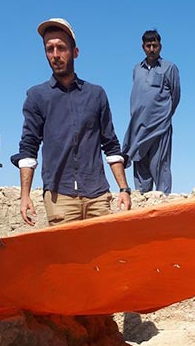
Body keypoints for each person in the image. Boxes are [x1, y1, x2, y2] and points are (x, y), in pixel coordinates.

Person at [11, 18, 131, 227]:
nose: (55, 55)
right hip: (60, 198)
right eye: (50, 49)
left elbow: (110, 144)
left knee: (103, 257)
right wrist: (25, 196)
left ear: (75, 52)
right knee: (66, 259)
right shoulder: (36, 96)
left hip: (98, 197)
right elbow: (29, 148)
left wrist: (123, 189)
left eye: (61, 48)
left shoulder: (96, 94)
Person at [122, 30, 180, 195]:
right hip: (138, 127)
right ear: (143, 47)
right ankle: (142, 202)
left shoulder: (169, 68)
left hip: (159, 126)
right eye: (148, 46)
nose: (152, 49)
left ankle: (163, 204)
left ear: (160, 46)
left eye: (155, 45)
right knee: (140, 164)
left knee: (160, 165)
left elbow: (175, 96)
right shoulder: (137, 69)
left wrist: (164, 115)